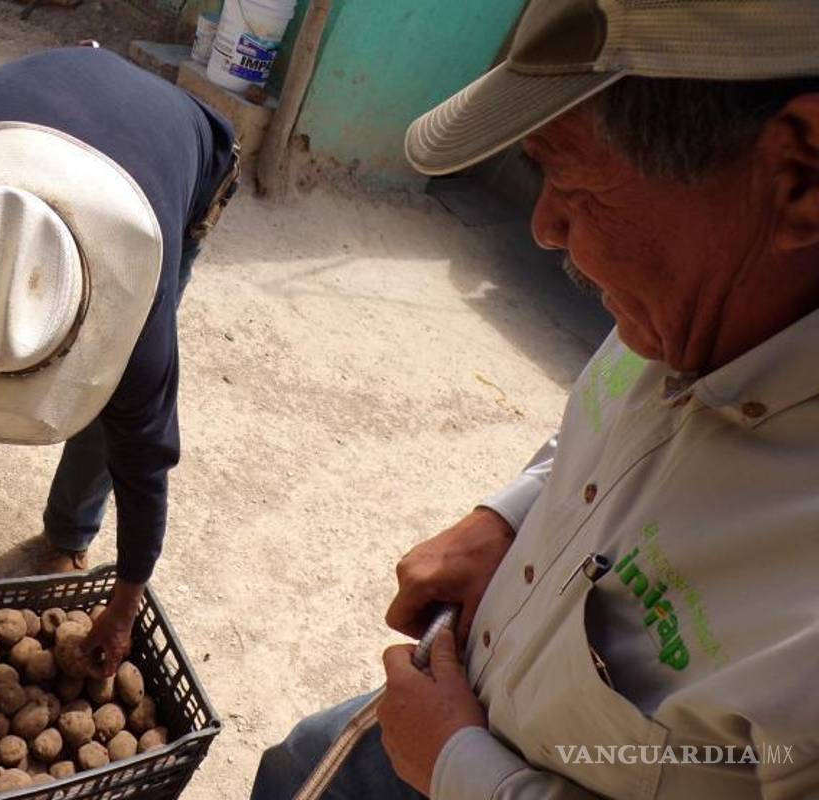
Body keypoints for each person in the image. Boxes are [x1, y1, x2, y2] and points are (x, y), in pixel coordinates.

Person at [253, 0, 819, 797]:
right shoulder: (694, 294)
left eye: (578, 184)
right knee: (297, 765)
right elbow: (614, 423)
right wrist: (509, 517)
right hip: (474, 707)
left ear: (801, 176)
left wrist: (460, 769)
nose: (547, 227)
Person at [0, 45, 238, 675]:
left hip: (175, 144)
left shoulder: (140, 310)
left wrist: (126, 597)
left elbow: (146, 461)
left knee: (104, 397)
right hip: (52, 96)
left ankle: (69, 532)